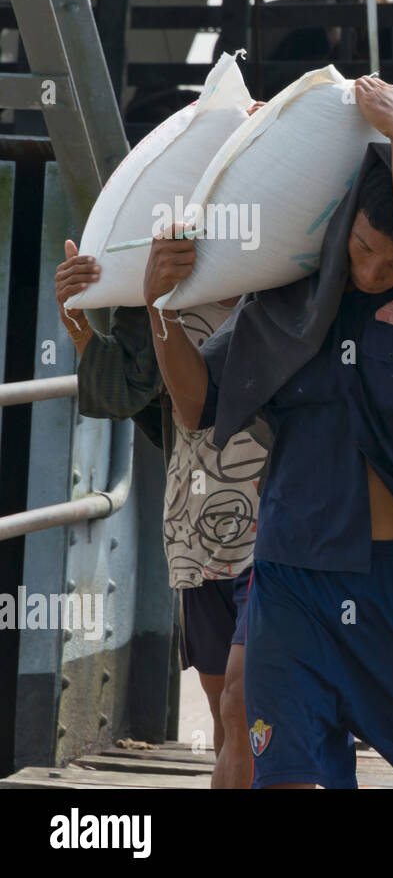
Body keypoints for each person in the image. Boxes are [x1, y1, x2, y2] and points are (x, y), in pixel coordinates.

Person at [148, 76, 393, 789]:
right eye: (363, 247)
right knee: (279, 765)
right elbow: (196, 403)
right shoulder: (285, 303)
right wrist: (159, 302)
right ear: (342, 220)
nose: (374, 270)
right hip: (292, 574)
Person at [53, 105, 268, 790]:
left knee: (257, 714)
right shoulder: (162, 276)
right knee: (227, 721)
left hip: (282, 532)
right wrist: (84, 326)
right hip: (197, 533)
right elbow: (139, 398)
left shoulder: (286, 274)